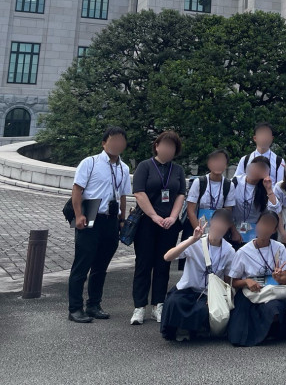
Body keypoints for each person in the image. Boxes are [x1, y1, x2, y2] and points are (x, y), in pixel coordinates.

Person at [67, 125, 131, 323]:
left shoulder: (124, 167)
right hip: (91, 216)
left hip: (111, 220)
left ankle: (94, 304)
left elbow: (122, 196)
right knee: (82, 264)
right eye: (113, 139)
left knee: (101, 266)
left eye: (121, 140)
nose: (117, 143)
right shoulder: (90, 163)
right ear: (104, 143)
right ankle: (75, 308)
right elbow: (77, 190)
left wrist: (122, 220)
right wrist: (78, 216)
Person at [131, 130, 187, 326]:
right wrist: (154, 216)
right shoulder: (145, 166)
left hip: (168, 225)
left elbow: (181, 194)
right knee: (144, 264)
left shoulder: (178, 170)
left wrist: (172, 217)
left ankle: (158, 305)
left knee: (163, 265)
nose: (168, 149)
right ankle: (139, 306)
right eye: (165, 145)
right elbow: (139, 192)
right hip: (147, 222)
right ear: (157, 146)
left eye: (172, 147)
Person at [161, 208, 236, 341]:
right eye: (218, 222)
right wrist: (192, 240)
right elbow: (167, 257)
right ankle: (179, 329)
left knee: (202, 308)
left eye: (224, 224)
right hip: (187, 289)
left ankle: (194, 331)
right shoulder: (196, 242)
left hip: (208, 293)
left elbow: (227, 278)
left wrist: (221, 296)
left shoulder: (229, 251)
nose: (219, 227)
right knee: (175, 302)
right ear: (211, 222)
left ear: (228, 227)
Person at [228, 211, 286, 347]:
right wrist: (247, 281)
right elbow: (233, 282)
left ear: (274, 230)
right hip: (249, 292)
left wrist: (279, 277)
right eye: (263, 223)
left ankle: (271, 331)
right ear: (256, 225)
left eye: (270, 225)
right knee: (238, 330)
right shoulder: (243, 252)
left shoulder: (279, 248)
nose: (265, 228)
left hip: (271, 291)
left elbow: (285, 281)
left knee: (274, 309)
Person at [226, 156, 280, 245]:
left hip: (255, 234)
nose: (256, 171)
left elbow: (275, 209)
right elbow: (227, 210)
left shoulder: (265, 187)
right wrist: (233, 230)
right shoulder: (235, 182)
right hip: (233, 231)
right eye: (254, 167)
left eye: (261, 169)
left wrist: (269, 189)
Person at [185, 149, 232, 233]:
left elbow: (227, 211)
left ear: (226, 165)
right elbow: (190, 210)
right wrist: (199, 231)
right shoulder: (199, 182)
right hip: (195, 227)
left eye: (222, 162)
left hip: (217, 230)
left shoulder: (229, 185)